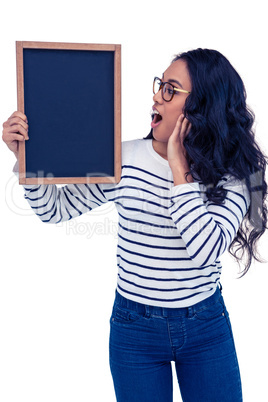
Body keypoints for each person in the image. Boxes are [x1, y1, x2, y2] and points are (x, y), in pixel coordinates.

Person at [2, 48, 267, 402]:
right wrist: (27, 159)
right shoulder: (124, 159)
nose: (156, 96)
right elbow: (55, 210)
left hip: (206, 327)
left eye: (171, 90)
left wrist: (179, 169)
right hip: (134, 330)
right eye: (160, 85)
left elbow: (205, 251)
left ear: (202, 106)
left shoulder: (232, 175)